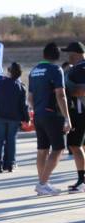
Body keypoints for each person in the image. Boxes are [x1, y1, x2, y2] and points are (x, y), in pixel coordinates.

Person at [28, 42, 72, 196]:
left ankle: (43, 183)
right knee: (59, 149)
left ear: (43, 54)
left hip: (38, 115)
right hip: (52, 114)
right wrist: (67, 117)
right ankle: (42, 183)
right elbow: (61, 94)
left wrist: (38, 110)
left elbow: (30, 98)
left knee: (42, 150)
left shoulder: (34, 71)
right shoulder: (56, 69)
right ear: (57, 56)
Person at [0, 58, 30, 173]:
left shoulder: (1, 82)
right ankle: (11, 164)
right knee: (11, 141)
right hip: (14, 118)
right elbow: (24, 105)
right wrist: (26, 119)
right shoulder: (21, 86)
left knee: (0, 141)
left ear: (9, 71)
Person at [61, 42, 85, 193]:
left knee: (75, 146)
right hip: (79, 112)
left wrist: (65, 89)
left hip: (80, 113)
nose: (67, 55)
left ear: (75, 53)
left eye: (68, 52)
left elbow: (82, 90)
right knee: (79, 146)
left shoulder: (79, 69)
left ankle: (82, 181)